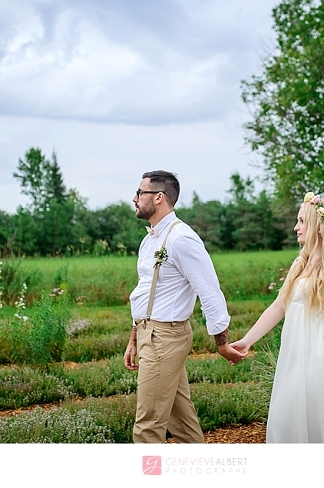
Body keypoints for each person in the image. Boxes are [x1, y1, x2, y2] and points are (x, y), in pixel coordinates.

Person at [231, 192, 324, 443]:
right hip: (296, 354)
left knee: (321, 419)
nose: (296, 227)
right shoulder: (300, 263)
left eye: (301, 221)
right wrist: (247, 341)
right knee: (287, 417)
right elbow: (278, 307)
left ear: (318, 226)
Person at [123, 170, 244, 443]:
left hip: (165, 337)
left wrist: (222, 342)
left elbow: (209, 290)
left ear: (158, 197)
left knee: (148, 425)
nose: (134, 198)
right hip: (150, 333)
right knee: (181, 419)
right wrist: (135, 336)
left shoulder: (181, 238)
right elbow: (145, 291)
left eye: (140, 192)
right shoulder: (150, 240)